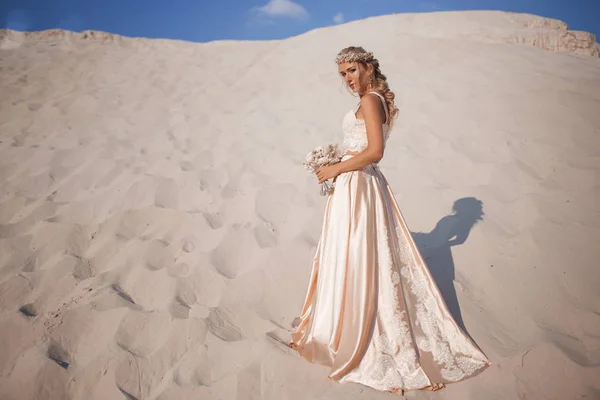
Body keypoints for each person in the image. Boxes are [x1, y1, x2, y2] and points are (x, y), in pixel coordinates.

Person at [289, 46, 491, 394]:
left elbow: (375, 151)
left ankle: (367, 340)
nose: (348, 78)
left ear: (367, 67)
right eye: (342, 74)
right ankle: (340, 326)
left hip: (360, 184)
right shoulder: (374, 98)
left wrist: (335, 167)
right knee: (350, 255)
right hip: (356, 183)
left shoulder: (371, 99)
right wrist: (337, 162)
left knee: (358, 256)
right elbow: (364, 147)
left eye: (352, 70)